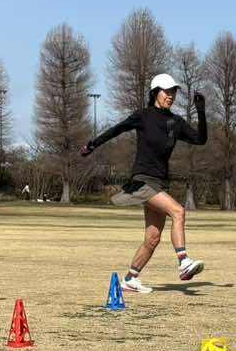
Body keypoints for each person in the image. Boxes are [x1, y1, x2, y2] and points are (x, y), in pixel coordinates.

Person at [81, 72, 208, 294]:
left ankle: (130, 279)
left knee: (152, 238)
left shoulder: (175, 122)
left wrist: (201, 111)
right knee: (178, 211)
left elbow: (200, 139)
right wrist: (92, 144)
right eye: (166, 91)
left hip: (159, 183)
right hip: (142, 181)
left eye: (173, 92)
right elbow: (117, 129)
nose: (170, 96)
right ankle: (183, 261)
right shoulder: (143, 116)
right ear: (155, 92)